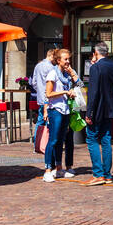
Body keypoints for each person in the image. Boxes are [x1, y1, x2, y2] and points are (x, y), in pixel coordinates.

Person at [83, 43, 113, 185]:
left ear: (96, 53)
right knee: (106, 140)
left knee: (91, 138)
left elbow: (93, 92)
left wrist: (89, 112)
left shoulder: (95, 67)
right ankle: (107, 174)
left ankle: (98, 174)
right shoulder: (112, 65)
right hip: (109, 107)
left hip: (97, 108)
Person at [41, 50, 75, 181]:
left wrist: (70, 90)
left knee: (61, 140)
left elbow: (76, 82)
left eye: (68, 59)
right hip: (55, 109)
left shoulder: (65, 74)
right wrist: (65, 92)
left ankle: (59, 168)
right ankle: (47, 170)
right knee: (53, 140)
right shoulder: (53, 73)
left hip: (65, 109)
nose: (68, 62)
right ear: (58, 60)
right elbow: (48, 94)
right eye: (65, 59)